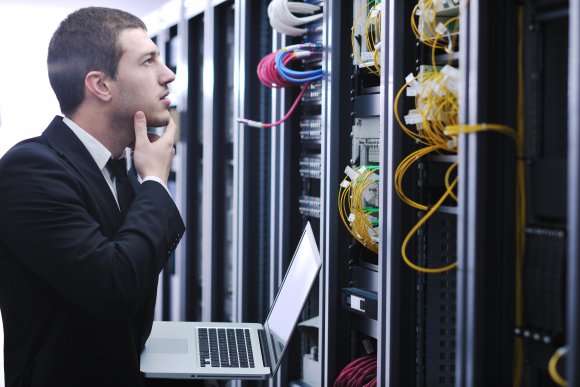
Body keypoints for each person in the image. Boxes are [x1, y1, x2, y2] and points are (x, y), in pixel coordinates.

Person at [0, 7, 187, 387]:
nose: (167, 74)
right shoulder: (28, 171)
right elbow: (115, 289)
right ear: (101, 85)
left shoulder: (117, 170)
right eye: (148, 61)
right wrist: (154, 181)